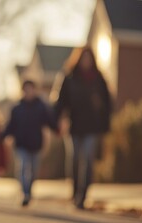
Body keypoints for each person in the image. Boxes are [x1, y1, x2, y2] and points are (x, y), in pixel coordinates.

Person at [54, 47, 112, 209]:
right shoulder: (69, 77)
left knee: (87, 159)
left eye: (89, 58)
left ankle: (83, 195)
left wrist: (105, 123)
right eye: (84, 57)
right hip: (74, 126)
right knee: (74, 159)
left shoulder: (99, 78)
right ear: (78, 59)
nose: (86, 61)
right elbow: (60, 102)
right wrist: (56, 121)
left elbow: (107, 104)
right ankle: (74, 191)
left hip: (92, 126)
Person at [2, 80, 55, 207]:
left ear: (34, 90)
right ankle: (24, 193)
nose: (28, 92)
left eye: (30, 89)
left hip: (36, 144)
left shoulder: (41, 107)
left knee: (33, 171)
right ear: (22, 91)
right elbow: (10, 126)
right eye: (26, 89)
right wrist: (1, 137)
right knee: (23, 168)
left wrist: (58, 129)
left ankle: (29, 192)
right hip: (21, 145)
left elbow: (50, 121)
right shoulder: (17, 108)